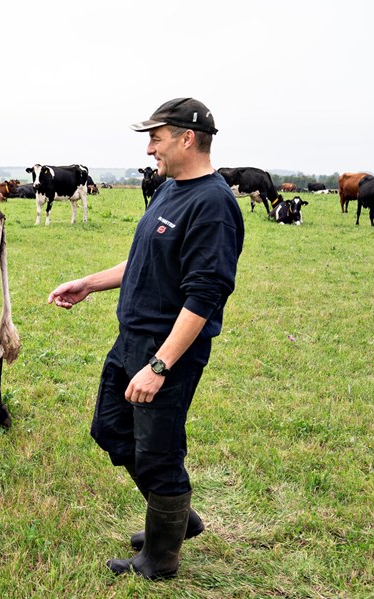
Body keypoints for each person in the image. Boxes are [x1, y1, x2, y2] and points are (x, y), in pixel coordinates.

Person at [47, 97, 244, 580]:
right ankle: (177, 519)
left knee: (159, 451)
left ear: (187, 138)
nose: (151, 148)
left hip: (166, 351)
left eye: (156, 137)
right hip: (130, 338)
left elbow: (205, 295)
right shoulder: (169, 190)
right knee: (110, 429)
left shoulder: (213, 205)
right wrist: (89, 283)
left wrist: (159, 367)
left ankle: (160, 558)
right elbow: (142, 259)